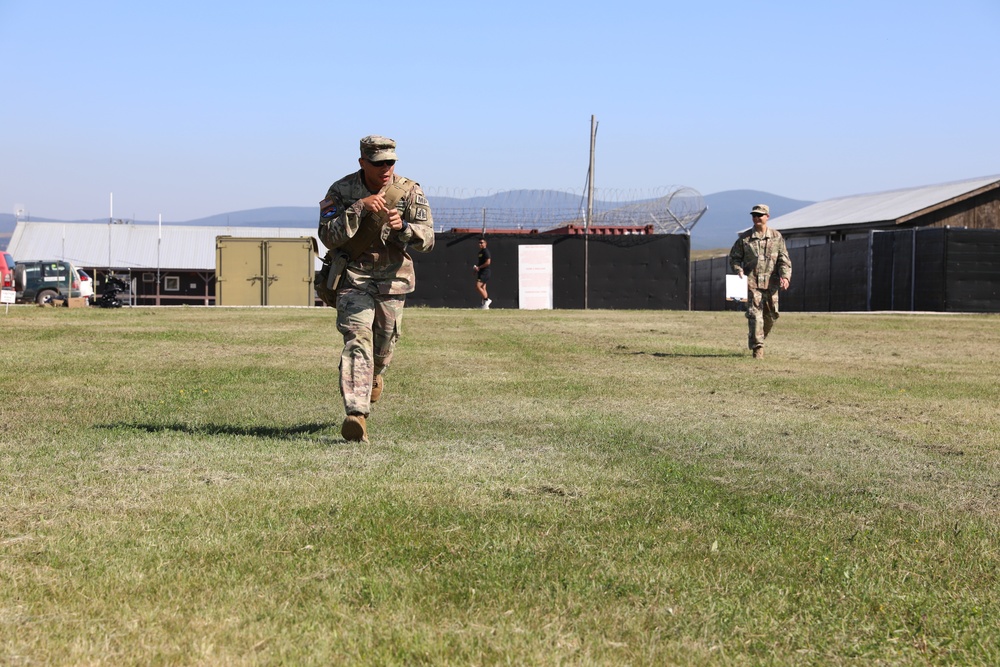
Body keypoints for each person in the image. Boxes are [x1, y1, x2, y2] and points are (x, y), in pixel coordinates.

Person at [317, 135, 434, 442]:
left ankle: (377, 374)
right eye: (378, 163)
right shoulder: (341, 191)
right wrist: (358, 208)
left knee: (383, 348)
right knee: (357, 338)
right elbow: (327, 236)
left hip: (393, 283)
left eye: (390, 162)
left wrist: (404, 229)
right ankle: (356, 414)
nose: (385, 168)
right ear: (362, 163)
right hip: (353, 280)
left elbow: (428, 239)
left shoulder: (408, 191)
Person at [728, 204, 791, 359]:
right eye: (754, 215)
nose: (756, 218)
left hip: (772, 283)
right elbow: (734, 258)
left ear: (767, 216)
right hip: (752, 283)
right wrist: (738, 270)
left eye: (760, 215)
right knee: (755, 315)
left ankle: (758, 338)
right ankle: (758, 349)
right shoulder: (745, 239)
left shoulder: (776, 237)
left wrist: (785, 276)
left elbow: (784, 259)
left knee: (771, 315)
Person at [473, 237, 492, 309]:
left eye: (482, 242)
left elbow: (488, 262)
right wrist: (476, 269)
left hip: (485, 272)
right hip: (481, 272)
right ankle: (485, 305)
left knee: (478, 286)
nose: (480, 244)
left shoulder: (486, 251)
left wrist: (479, 267)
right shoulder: (480, 252)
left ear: (485, 243)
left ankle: (487, 300)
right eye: (479, 243)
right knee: (483, 288)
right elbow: (480, 263)